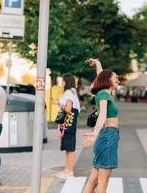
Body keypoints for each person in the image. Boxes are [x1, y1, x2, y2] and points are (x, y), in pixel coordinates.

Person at [83, 59, 120, 193]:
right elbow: (102, 115)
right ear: (107, 79)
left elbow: (101, 75)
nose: (118, 80)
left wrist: (98, 63)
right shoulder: (104, 94)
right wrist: (95, 132)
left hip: (107, 136)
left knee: (94, 179)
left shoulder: (105, 93)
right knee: (103, 180)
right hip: (108, 135)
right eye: (115, 78)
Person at [56, 73, 80, 179]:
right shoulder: (73, 92)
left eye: (63, 81)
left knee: (70, 148)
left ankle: (69, 171)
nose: (62, 83)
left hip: (68, 124)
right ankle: (67, 169)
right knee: (68, 148)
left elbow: (68, 109)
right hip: (71, 124)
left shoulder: (68, 93)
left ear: (66, 82)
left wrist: (59, 104)